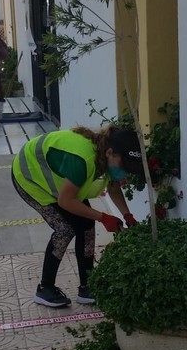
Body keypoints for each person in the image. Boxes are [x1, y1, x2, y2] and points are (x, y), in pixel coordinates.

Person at [12, 126, 143, 307]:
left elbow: (113, 187)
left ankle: (87, 287)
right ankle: (45, 289)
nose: (125, 171)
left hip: (57, 181)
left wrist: (127, 215)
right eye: (124, 165)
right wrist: (103, 217)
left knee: (87, 224)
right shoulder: (84, 160)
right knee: (65, 230)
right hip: (30, 177)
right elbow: (66, 201)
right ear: (111, 153)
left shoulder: (104, 154)